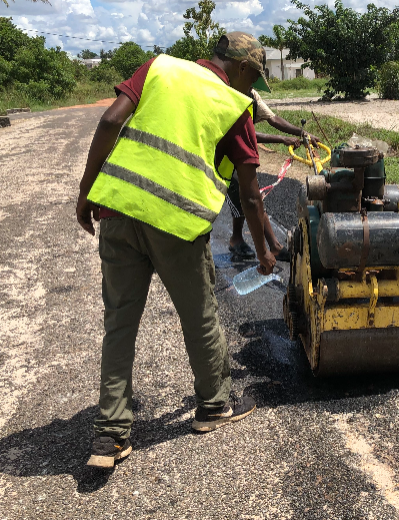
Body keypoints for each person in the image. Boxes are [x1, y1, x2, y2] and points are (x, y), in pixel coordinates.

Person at [75, 32, 275, 468]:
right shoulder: (233, 105)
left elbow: (109, 122)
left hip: (118, 210)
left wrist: (86, 192)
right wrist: (265, 252)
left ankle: (110, 435)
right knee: (199, 315)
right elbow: (250, 195)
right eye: (254, 79)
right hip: (175, 224)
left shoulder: (160, 66)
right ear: (242, 68)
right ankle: (214, 405)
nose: (252, 89)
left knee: (119, 324)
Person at [226, 89, 320, 260]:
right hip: (226, 156)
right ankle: (244, 241)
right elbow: (244, 133)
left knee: (252, 198)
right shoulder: (227, 94)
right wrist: (282, 139)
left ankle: (261, 243)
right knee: (246, 199)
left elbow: (273, 119)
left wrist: (303, 133)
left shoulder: (252, 94)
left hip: (242, 155)